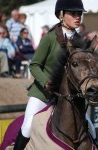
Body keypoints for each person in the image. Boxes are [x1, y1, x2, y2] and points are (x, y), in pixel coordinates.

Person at [13, 0, 88, 149]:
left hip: (68, 96)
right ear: (61, 15)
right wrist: (46, 82)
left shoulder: (80, 41)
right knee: (27, 126)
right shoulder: (50, 38)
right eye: (73, 13)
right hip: (44, 93)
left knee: (90, 128)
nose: (77, 17)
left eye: (79, 13)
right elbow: (34, 65)